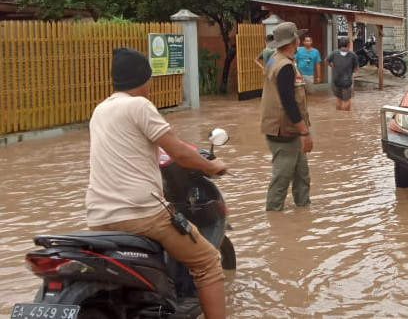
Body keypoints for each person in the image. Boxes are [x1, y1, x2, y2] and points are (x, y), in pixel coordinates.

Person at [86, 47, 227, 318]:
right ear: (145, 79)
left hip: (98, 218)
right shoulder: (139, 105)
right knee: (208, 261)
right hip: (141, 215)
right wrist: (213, 166)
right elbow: (180, 153)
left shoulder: (100, 110)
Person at [260, 22, 314, 212]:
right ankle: (274, 217)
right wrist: (305, 132)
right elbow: (288, 103)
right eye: (298, 37)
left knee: (302, 174)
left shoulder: (277, 59)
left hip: (288, 129)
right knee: (282, 178)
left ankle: (304, 211)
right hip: (283, 130)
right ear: (294, 41)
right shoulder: (284, 66)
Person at [326, 36, 359, 111]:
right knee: (347, 100)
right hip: (347, 81)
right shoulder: (353, 55)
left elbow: (327, 61)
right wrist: (351, 71)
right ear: (348, 44)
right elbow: (356, 68)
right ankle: (345, 117)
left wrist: (332, 66)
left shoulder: (334, 53)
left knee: (339, 99)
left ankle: (339, 115)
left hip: (336, 80)